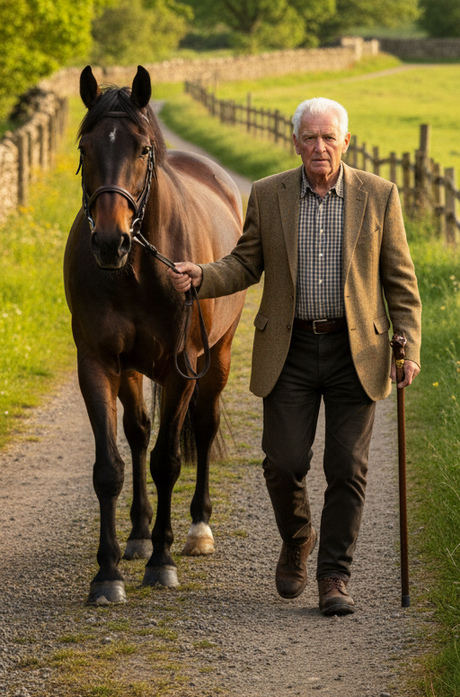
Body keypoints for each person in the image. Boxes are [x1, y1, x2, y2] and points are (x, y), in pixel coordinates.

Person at [168, 97, 421, 616]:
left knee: (346, 467)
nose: (319, 147)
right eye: (310, 137)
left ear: (346, 142)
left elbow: (400, 280)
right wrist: (202, 276)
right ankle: (298, 537)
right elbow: (244, 264)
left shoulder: (379, 195)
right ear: (295, 143)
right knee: (283, 463)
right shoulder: (269, 193)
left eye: (329, 137)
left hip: (358, 349)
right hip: (290, 348)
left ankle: (334, 575)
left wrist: (408, 345)